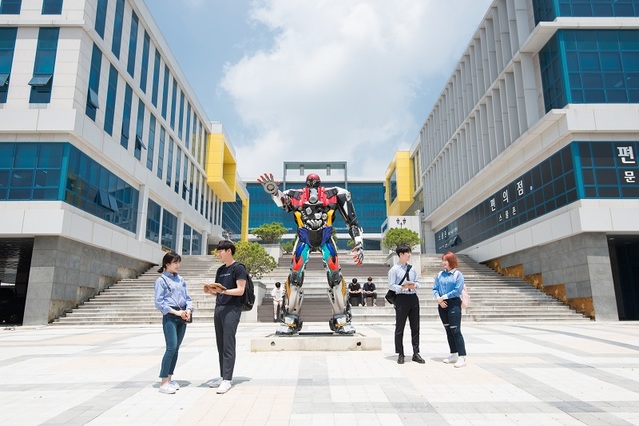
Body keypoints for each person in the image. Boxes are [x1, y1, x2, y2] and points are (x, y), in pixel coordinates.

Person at [257, 172, 365, 335]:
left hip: (326, 237)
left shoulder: (336, 194)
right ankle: (290, 319)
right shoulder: (294, 195)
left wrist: (359, 243)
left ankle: (341, 318)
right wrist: (274, 191)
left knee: (335, 275)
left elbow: (352, 222)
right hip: (304, 238)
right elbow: (282, 202)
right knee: (295, 276)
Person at [203, 240, 247, 394]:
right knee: (220, 344)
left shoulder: (239, 268)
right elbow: (219, 290)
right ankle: (223, 376)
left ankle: (227, 379)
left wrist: (224, 291)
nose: (218, 254)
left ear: (229, 251)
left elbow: (240, 290)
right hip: (219, 308)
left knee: (228, 343)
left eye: (220, 251)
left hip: (232, 309)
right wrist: (211, 290)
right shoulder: (220, 270)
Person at [154, 252, 193, 394]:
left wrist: (188, 309)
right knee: (171, 348)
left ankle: (170, 378)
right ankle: (163, 382)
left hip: (182, 315)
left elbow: (188, 298)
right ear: (167, 264)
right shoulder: (161, 281)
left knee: (176, 348)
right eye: (175, 262)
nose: (178, 265)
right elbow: (159, 303)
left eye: (179, 262)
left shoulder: (181, 280)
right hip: (170, 316)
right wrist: (176, 312)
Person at [388, 244, 425, 365]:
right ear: (401, 254)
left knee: (416, 327)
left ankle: (416, 352)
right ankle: (400, 353)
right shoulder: (394, 270)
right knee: (400, 327)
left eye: (410, 252)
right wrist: (402, 287)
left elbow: (418, 282)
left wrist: (415, 285)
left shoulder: (412, 268)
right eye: (407, 253)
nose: (409, 255)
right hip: (401, 299)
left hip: (413, 298)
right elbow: (391, 285)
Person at [433, 251, 467, 368]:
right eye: (443, 260)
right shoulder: (439, 275)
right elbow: (435, 288)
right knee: (448, 330)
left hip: (454, 304)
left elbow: (457, 290)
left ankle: (462, 356)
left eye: (446, 260)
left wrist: (444, 297)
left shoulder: (458, 275)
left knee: (456, 330)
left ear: (451, 261)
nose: (443, 263)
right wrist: (438, 298)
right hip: (441, 305)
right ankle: (453, 354)